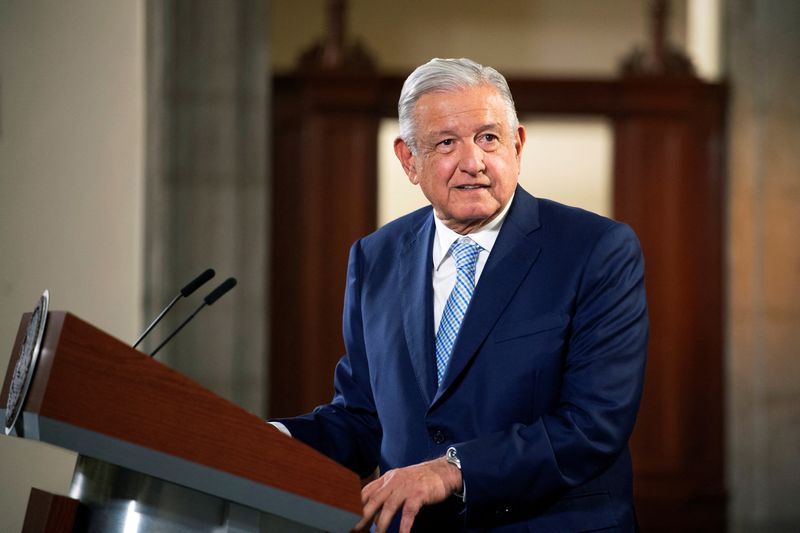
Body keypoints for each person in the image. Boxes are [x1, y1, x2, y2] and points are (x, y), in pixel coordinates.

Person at [272, 58, 648, 533]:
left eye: (488, 138)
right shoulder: (376, 257)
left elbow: (594, 424)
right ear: (409, 159)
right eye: (446, 142)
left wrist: (453, 469)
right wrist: (270, 439)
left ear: (518, 144)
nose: (473, 162)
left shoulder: (595, 249)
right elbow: (364, 417)